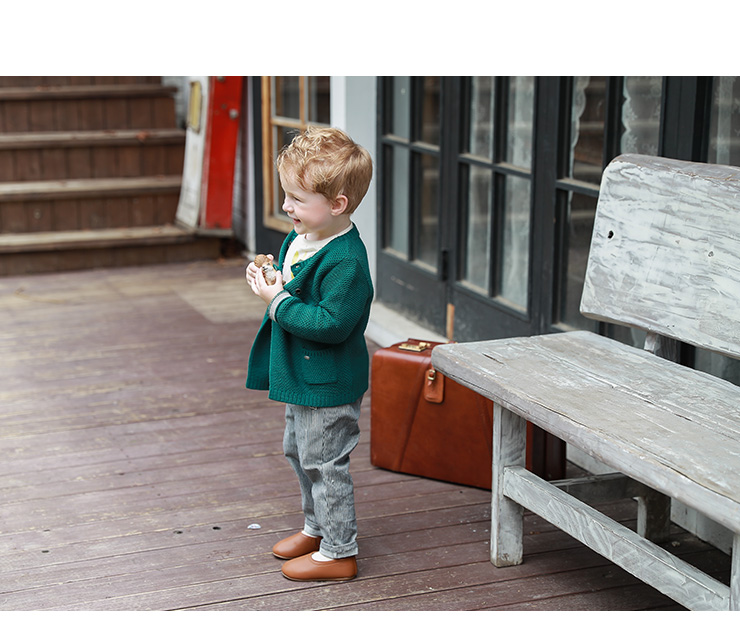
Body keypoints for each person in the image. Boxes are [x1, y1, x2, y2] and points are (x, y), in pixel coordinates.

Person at [245, 126, 374, 582]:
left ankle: (339, 552)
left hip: (328, 382)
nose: (286, 207)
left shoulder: (347, 262)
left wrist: (277, 301)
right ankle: (317, 528)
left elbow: (330, 324)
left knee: (325, 463)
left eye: (297, 199)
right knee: (298, 452)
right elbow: (294, 281)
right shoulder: (304, 236)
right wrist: (273, 278)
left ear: (337, 204)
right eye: (287, 196)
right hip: (301, 377)